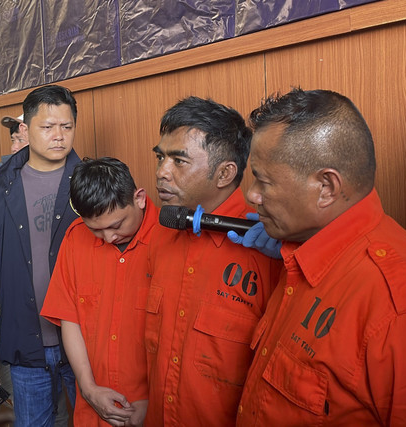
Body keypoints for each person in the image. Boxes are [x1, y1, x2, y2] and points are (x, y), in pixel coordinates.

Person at [236, 88, 406, 425]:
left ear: (327, 188)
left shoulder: (396, 307)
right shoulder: (297, 253)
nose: (252, 195)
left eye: (263, 181)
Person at [146, 96, 282, 426]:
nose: (162, 172)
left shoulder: (271, 250)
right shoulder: (162, 233)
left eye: (178, 161)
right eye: (161, 157)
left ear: (224, 173)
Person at [0, 85, 80, 426]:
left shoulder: (89, 180)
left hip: (85, 343)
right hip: (23, 341)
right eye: (48, 127)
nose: (59, 136)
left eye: (67, 126)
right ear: (25, 129)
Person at [41, 157, 157, 426]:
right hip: (93, 409)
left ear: (139, 198)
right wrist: (89, 388)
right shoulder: (75, 237)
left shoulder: (169, 238)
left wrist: (155, 399)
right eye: (96, 230)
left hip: (153, 408)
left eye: (116, 225)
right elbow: (70, 319)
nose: (108, 238)